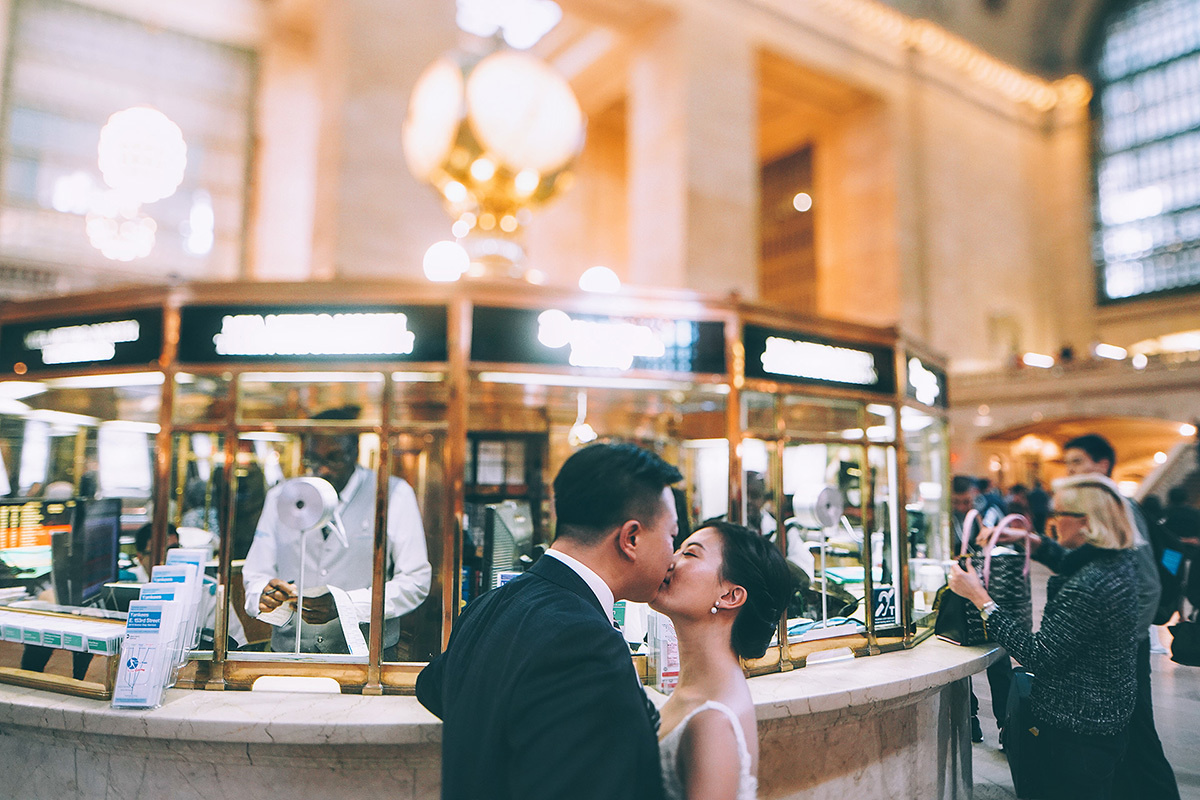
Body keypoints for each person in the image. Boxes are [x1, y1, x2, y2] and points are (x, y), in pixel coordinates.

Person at [416, 442, 681, 800]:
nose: (674, 554)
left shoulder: (489, 604)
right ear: (631, 538)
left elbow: (432, 685)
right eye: (672, 536)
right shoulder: (585, 642)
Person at [950, 474, 1140, 799]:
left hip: (1076, 729)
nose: (1052, 522)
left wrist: (981, 599)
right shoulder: (1117, 561)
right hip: (1106, 717)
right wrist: (1029, 540)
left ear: (1086, 522)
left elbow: (1037, 654)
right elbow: (1069, 560)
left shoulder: (1090, 586)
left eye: (1059, 514)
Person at [242, 406, 432, 654]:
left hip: (368, 658)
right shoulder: (281, 496)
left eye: (334, 458)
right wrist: (263, 594)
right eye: (314, 459)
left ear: (355, 451)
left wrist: (347, 605)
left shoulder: (392, 494)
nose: (323, 470)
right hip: (289, 653)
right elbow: (256, 573)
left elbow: (416, 581)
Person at [1061, 433, 1178, 800]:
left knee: (1138, 731)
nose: (1071, 471)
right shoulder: (1099, 508)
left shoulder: (1120, 507)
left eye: (1078, 463)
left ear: (1102, 465)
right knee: (1126, 732)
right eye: (1068, 464)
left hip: (1125, 644)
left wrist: (1127, 637)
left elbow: (1148, 584)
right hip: (1118, 643)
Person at [650, 520, 792, 800]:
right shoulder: (699, 689)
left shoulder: (713, 723)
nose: (670, 560)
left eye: (689, 554)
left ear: (729, 595)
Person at [952, 474, 1013, 743]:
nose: (963, 506)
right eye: (957, 502)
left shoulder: (988, 511)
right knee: (959, 652)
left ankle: (1007, 724)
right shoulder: (945, 516)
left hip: (989, 589)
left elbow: (1002, 548)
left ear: (975, 495)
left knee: (998, 656)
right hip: (958, 590)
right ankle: (971, 718)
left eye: (966, 501)